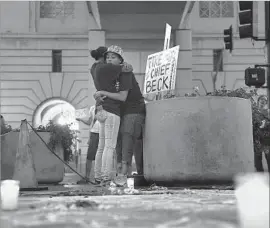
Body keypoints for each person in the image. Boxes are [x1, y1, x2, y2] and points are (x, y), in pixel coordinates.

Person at [94, 45, 146, 186]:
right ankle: (116, 172)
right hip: (119, 110)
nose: (110, 60)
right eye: (108, 57)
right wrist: (99, 97)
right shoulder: (110, 72)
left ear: (120, 60)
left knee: (127, 134)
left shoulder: (125, 71)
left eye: (113, 57)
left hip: (134, 109)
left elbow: (123, 96)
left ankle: (123, 172)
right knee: (115, 140)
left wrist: (102, 93)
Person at [76, 105, 99, 184]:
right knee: (89, 156)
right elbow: (90, 122)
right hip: (93, 133)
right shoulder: (92, 108)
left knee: (100, 156)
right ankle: (87, 177)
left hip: (103, 132)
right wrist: (80, 119)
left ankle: (99, 177)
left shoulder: (106, 106)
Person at [254, 95, 270, 172]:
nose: (263, 101)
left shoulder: (268, 112)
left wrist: (266, 123)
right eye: (262, 99)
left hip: (266, 138)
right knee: (258, 159)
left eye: (265, 100)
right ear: (258, 100)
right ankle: (260, 177)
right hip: (257, 138)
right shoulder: (254, 112)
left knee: (269, 157)